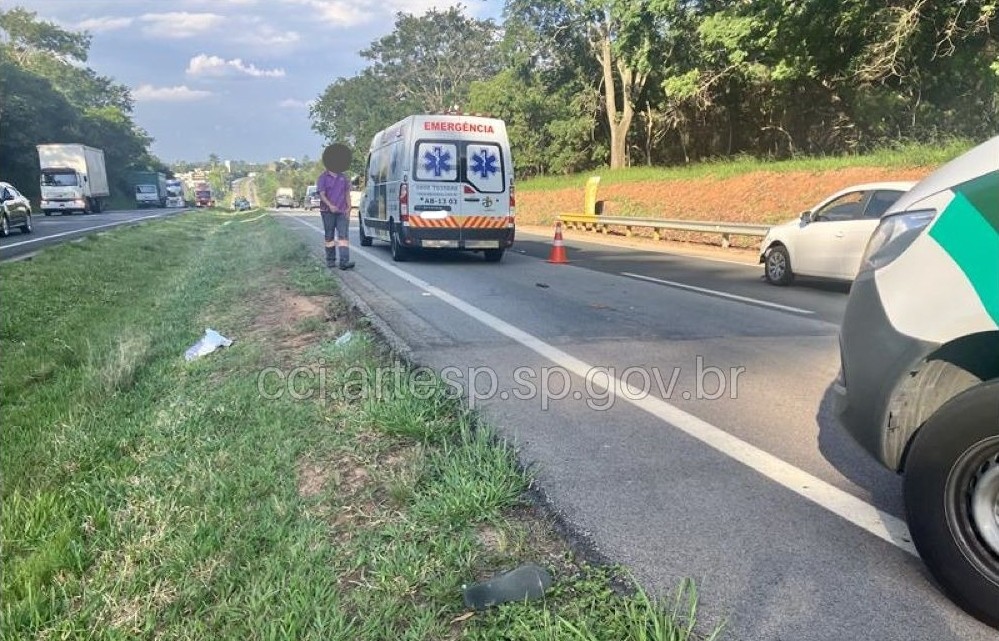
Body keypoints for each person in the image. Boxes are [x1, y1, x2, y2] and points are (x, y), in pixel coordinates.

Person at [317, 143, 355, 270]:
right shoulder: (323, 178)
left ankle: (344, 262)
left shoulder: (343, 177)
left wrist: (349, 207)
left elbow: (346, 193)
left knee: (343, 236)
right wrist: (330, 205)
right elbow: (322, 194)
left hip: (342, 211)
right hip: (327, 211)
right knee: (329, 236)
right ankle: (330, 260)